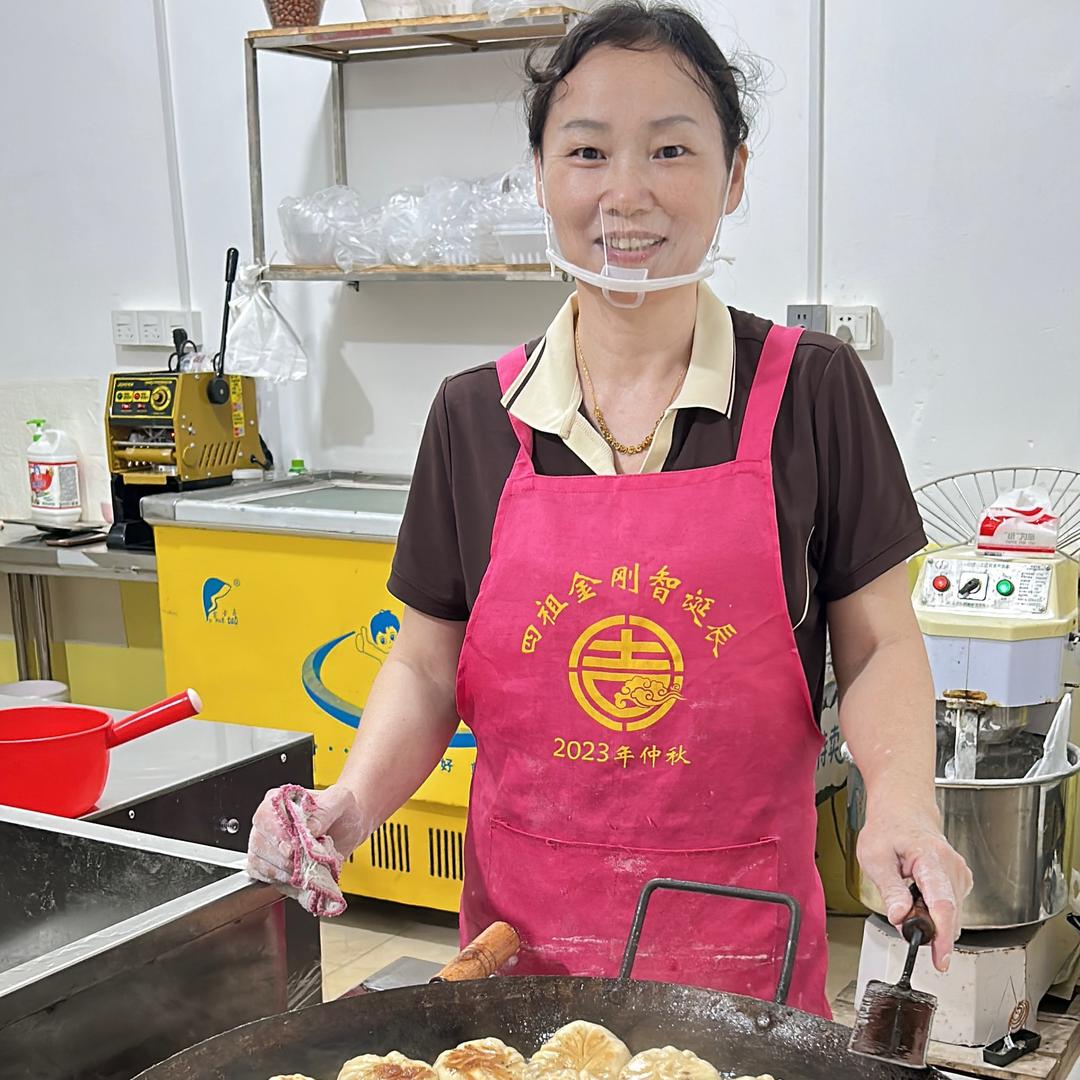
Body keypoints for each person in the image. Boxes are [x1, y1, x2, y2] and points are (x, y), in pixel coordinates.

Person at [247, 0, 971, 1017]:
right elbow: (422, 663)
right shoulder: (471, 417)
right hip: (522, 953)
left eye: (670, 149)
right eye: (586, 151)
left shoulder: (813, 391)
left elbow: (883, 646)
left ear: (736, 173)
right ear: (539, 174)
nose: (626, 194)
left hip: (741, 957)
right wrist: (349, 806)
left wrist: (901, 803)